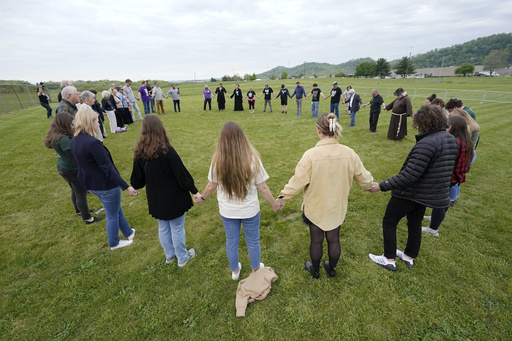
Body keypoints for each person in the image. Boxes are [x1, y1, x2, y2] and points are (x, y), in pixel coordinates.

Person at [277, 113, 374, 279]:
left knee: (316, 240)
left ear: (318, 131)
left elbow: (296, 182)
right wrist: (370, 186)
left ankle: (315, 270)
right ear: (335, 130)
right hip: (336, 207)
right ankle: (332, 269)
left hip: (315, 207)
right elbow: (364, 178)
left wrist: (282, 197)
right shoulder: (349, 153)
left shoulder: (310, 155)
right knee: (333, 239)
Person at [367, 105, 458, 271]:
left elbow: (409, 175)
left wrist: (381, 186)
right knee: (414, 222)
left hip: (411, 193)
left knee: (389, 222)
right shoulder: (449, 139)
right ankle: (409, 256)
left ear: (422, 122)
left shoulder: (427, 144)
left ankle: (388, 259)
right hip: (427, 193)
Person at [199, 121, 282, 280]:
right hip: (249, 210)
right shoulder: (252, 160)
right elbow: (262, 187)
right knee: (252, 241)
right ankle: (255, 269)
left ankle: (235, 271)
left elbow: (211, 185)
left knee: (231, 241)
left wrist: (203, 197)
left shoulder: (218, 161)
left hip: (228, 211)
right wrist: (274, 204)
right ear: (242, 138)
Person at [131, 115, 201, 266]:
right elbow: (181, 174)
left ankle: (171, 255)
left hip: (158, 198)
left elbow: (180, 174)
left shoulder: (161, 151)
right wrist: (195, 192)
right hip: (170, 198)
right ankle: (180, 257)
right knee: (174, 228)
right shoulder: (158, 152)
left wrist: (193, 190)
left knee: (164, 227)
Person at [70, 106, 138, 250]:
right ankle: (114, 243)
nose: (99, 123)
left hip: (90, 183)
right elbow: (107, 168)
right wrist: (126, 186)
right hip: (104, 184)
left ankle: (128, 232)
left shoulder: (75, 140)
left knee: (115, 207)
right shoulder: (93, 143)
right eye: (96, 121)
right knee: (112, 214)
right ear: (89, 123)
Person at [44, 113, 102, 225]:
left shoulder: (54, 134)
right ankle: (88, 218)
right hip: (71, 170)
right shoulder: (63, 138)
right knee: (81, 193)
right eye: (71, 123)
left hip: (62, 167)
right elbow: (73, 157)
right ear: (64, 123)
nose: (73, 125)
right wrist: (84, 168)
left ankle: (79, 210)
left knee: (74, 190)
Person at [422, 115, 473, 237]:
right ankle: (434, 219)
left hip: (449, 176)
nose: (445, 127)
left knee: (441, 202)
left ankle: (432, 229)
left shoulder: (456, 142)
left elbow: (448, 161)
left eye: (448, 125)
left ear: (454, 127)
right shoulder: (466, 141)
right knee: (443, 200)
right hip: (456, 177)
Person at [448, 108, 480, 203]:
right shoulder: (473, 125)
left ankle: (451, 199)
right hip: (471, 153)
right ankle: (454, 197)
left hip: (466, 154)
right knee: (458, 177)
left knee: (455, 176)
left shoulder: (466, 130)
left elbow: (461, 144)